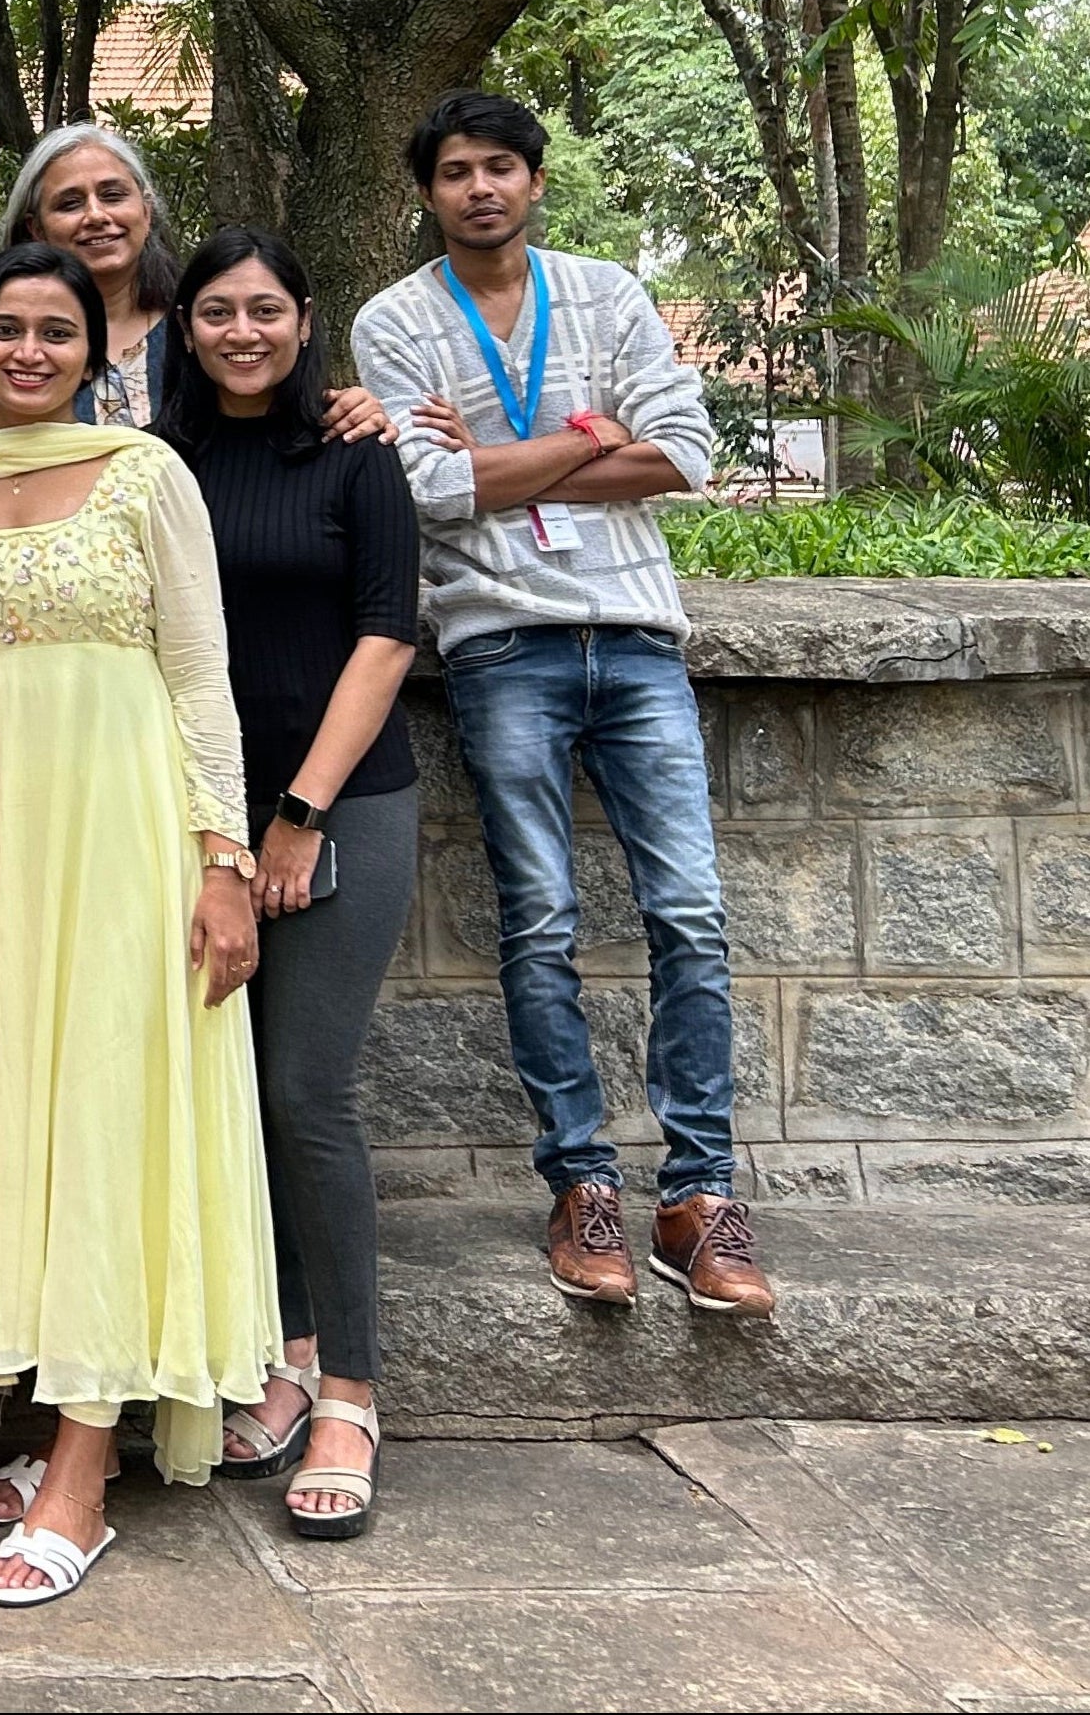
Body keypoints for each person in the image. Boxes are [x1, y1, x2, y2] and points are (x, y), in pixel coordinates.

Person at [351, 90, 774, 1319]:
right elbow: (428, 490)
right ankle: (581, 1182)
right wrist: (592, 434)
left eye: (499, 168)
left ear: (535, 181)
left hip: (639, 638)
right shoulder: (397, 321)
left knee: (689, 914)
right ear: (428, 195)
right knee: (538, 920)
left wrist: (507, 457)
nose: (479, 189)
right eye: (455, 173)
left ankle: (699, 1194)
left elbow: (686, 452)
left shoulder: (608, 294)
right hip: (500, 646)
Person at [0, 243, 277, 1608]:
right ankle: (46, 1416)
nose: (28, 352)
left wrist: (222, 861)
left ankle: (83, 1469)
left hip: (123, 833)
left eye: (54, 332)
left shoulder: (148, 474)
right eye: (6, 330)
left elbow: (201, 680)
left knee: (103, 1113)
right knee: (8, 1113)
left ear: (95, 349)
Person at [156, 229, 419, 1542]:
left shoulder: (355, 449)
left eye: (265, 307)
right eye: (217, 311)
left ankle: (353, 1396)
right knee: (232, 1101)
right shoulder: (161, 460)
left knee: (305, 1091)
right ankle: (290, 1347)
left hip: (340, 807)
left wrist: (297, 815)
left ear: (302, 314)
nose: (242, 330)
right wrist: (222, 831)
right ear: (184, 326)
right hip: (200, 821)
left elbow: (385, 634)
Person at [0, 121, 386, 446]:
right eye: (70, 203)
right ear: (36, 228)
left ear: (146, 212)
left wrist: (349, 410)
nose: (95, 216)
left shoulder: (205, 333)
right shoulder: (4, 352)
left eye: (112, 195)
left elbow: (289, 415)